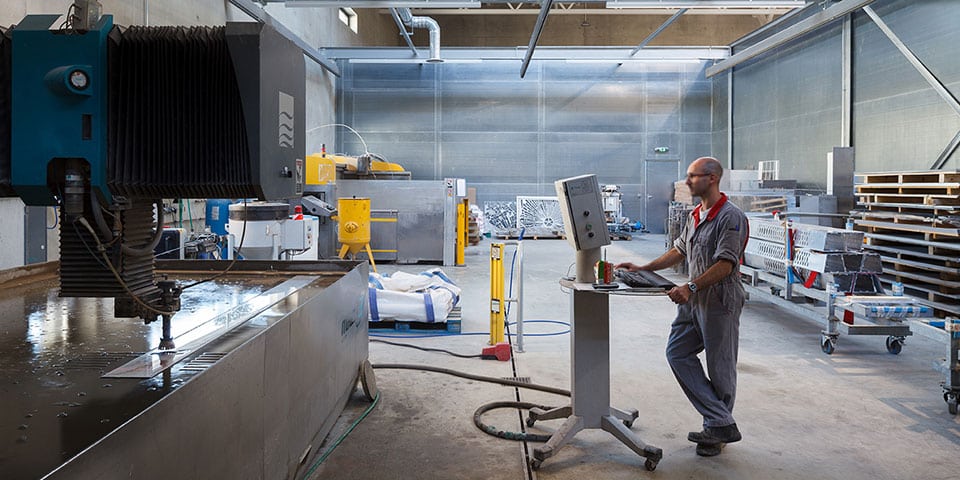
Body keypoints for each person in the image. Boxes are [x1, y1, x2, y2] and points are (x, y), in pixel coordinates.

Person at [616, 156, 748, 457]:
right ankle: (721, 421)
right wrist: (643, 268)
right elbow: (679, 250)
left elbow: (726, 264)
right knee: (677, 352)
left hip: (719, 297)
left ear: (712, 178)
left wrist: (689, 287)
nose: (687, 182)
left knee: (721, 366)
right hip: (694, 296)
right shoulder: (696, 215)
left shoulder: (731, 217)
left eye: (692, 176)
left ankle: (717, 431)